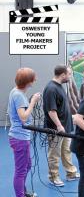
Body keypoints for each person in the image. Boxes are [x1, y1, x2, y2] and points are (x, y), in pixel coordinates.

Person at [43, 65, 79, 187]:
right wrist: (59, 126)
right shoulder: (51, 89)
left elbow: (62, 107)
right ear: (63, 75)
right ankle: (53, 177)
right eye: (69, 74)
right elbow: (51, 111)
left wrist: (71, 118)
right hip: (56, 129)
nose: (70, 77)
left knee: (66, 151)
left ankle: (71, 173)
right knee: (54, 154)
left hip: (66, 126)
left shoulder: (59, 86)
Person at [8, 68, 40, 197]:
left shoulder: (16, 91)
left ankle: (23, 192)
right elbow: (23, 117)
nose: (35, 80)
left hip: (21, 137)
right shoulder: (18, 95)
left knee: (27, 166)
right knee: (21, 170)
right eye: (33, 78)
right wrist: (33, 102)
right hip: (19, 138)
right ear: (28, 81)